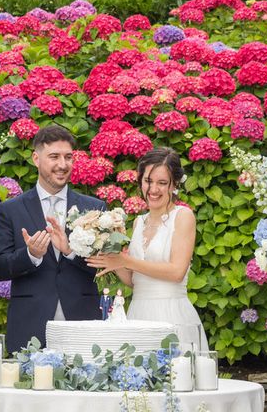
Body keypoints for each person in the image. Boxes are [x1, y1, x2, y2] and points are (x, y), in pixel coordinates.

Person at [0, 125, 105, 353]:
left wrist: (71, 251)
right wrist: (30, 255)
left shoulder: (94, 208)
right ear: (36, 158)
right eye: (54, 157)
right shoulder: (10, 210)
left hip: (83, 321)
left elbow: (105, 270)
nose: (62, 165)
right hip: (30, 323)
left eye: (68, 157)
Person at [86, 147, 209, 349]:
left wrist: (126, 260)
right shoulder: (139, 222)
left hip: (171, 313)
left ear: (174, 184)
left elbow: (177, 272)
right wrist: (111, 258)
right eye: (148, 181)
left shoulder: (183, 216)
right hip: (138, 314)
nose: (153, 189)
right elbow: (135, 281)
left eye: (162, 183)